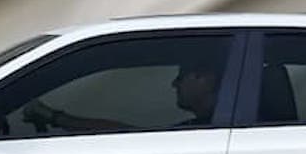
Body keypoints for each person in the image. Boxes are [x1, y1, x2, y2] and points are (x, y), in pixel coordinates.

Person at [19, 60, 219, 132]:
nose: (174, 84)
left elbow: (132, 136)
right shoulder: (206, 127)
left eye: (181, 77)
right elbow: (137, 137)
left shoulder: (213, 131)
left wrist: (53, 116)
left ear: (203, 79)